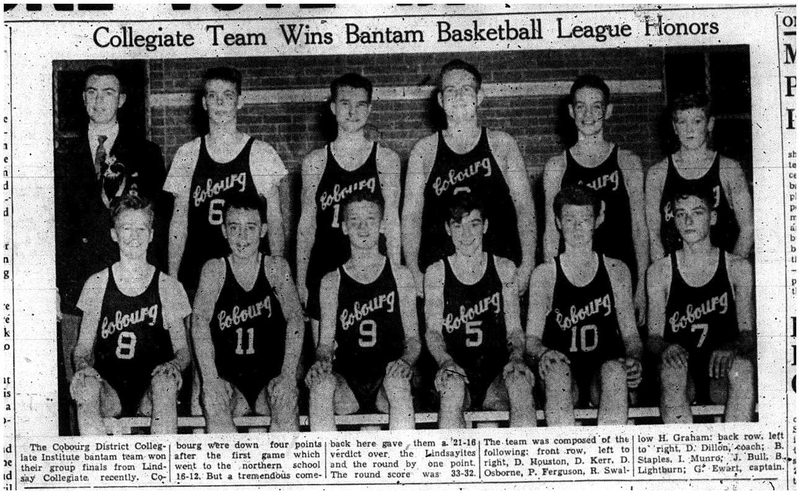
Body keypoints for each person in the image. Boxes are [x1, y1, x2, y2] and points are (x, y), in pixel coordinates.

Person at [55, 65, 166, 434]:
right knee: (82, 386)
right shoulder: (60, 154)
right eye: (91, 92)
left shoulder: (146, 153)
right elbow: (53, 226)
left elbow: (155, 225)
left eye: (107, 92)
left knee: (139, 385)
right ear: (83, 98)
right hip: (76, 283)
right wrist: (53, 285)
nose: (99, 100)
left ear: (121, 99)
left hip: (131, 285)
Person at [403, 59, 536, 298]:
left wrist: (526, 265)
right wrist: (414, 271)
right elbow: (411, 218)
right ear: (441, 100)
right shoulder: (423, 151)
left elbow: (525, 209)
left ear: (480, 96)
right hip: (443, 278)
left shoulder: (502, 144)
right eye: (451, 91)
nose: (459, 96)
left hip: (498, 274)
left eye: (466, 90)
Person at [70, 195, 190, 435]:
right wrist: (83, 366)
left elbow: (183, 351)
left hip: (151, 390)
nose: (134, 236)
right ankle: (96, 468)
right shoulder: (97, 283)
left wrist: (174, 365)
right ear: (114, 234)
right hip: (110, 391)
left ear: (152, 234)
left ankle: (163, 466)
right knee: (85, 385)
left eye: (141, 229)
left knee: (166, 384)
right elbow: (82, 347)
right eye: (126, 228)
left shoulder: (168, 286)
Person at [165, 66, 287, 296]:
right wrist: (172, 279)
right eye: (213, 96)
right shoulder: (187, 153)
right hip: (197, 273)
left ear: (240, 101)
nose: (220, 104)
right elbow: (178, 222)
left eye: (227, 96)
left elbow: (275, 220)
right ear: (204, 103)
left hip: (248, 273)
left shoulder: (261, 152)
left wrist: (278, 270)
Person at [296, 73, 401, 337]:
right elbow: (306, 226)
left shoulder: (386, 159)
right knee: (324, 359)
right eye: (345, 104)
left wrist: (396, 272)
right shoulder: (315, 162)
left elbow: (392, 224)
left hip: (371, 268)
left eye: (361, 104)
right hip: (325, 265)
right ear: (333, 108)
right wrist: (300, 278)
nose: (352, 112)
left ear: (370, 109)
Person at [528, 185, 642, 426]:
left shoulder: (617, 270)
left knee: (614, 371)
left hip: (601, 375)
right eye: (569, 219)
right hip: (563, 374)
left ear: (598, 219)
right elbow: (531, 341)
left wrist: (633, 359)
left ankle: (610, 457)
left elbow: (632, 337)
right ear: (558, 222)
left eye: (584, 218)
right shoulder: (545, 274)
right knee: (557, 372)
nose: (577, 227)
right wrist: (543, 353)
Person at [305, 191, 419, 431]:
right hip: (348, 381)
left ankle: (406, 463)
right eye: (355, 221)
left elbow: (413, 340)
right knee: (320, 386)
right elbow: (324, 344)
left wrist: (406, 361)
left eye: (370, 219)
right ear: (345, 227)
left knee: (398, 383)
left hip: (388, 378)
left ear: (382, 224)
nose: (363, 227)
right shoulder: (331, 281)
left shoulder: (401, 275)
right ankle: (326, 465)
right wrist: (322, 363)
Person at [191, 196, 304, 433]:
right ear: (224, 230)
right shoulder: (214, 269)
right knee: (214, 401)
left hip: (269, 380)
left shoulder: (276, 267)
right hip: (231, 382)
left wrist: (287, 375)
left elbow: (295, 319)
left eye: (250, 228)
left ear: (263, 230)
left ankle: (284, 470)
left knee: (286, 400)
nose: (242, 237)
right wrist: (211, 380)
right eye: (234, 228)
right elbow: (199, 323)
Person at [543, 74, 648, 325]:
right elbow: (550, 232)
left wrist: (642, 285)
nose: (588, 114)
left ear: (608, 111)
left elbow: (639, 229)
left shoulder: (627, 162)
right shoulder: (557, 166)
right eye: (581, 106)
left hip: (620, 275)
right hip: (574, 276)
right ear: (571, 111)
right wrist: (550, 283)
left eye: (596, 106)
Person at [424, 193, 536, 429]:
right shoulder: (437, 272)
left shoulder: (504, 268)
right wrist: (445, 361)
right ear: (448, 228)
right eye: (458, 225)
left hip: (495, 373)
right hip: (456, 368)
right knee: (451, 388)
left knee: (520, 384)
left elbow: (515, 330)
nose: (466, 234)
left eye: (473, 224)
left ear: (484, 226)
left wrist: (516, 357)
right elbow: (433, 332)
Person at [647, 187, 755, 423]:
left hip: (720, 370)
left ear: (712, 217)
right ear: (673, 219)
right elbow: (653, 338)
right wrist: (666, 347)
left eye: (697, 212)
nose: (688, 220)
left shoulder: (737, 268)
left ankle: (735, 453)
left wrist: (732, 347)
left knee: (743, 369)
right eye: (680, 214)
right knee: (672, 372)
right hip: (682, 372)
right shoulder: (659, 271)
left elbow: (748, 334)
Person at [645, 91, 754, 262]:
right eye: (682, 122)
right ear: (674, 127)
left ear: (709, 124)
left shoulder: (729, 169)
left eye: (697, 121)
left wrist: (730, 272)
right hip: (675, 275)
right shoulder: (657, 174)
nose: (689, 130)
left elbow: (747, 228)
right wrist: (663, 279)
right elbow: (653, 235)